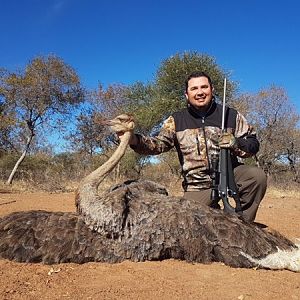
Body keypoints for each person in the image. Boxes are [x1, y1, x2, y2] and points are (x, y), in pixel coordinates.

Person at [129, 71, 267, 222]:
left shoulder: (230, 114)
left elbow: (253, 144)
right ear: (186, 94)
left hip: (229, 174)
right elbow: (158, 145)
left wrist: (236, 143)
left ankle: (245, 225)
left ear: (212, 90)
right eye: (194, 89)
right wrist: (134, 139)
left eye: (204, 87)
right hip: (196, 185)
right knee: (187, 225)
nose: (200, 92)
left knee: (256, 176)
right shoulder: (176, 119)